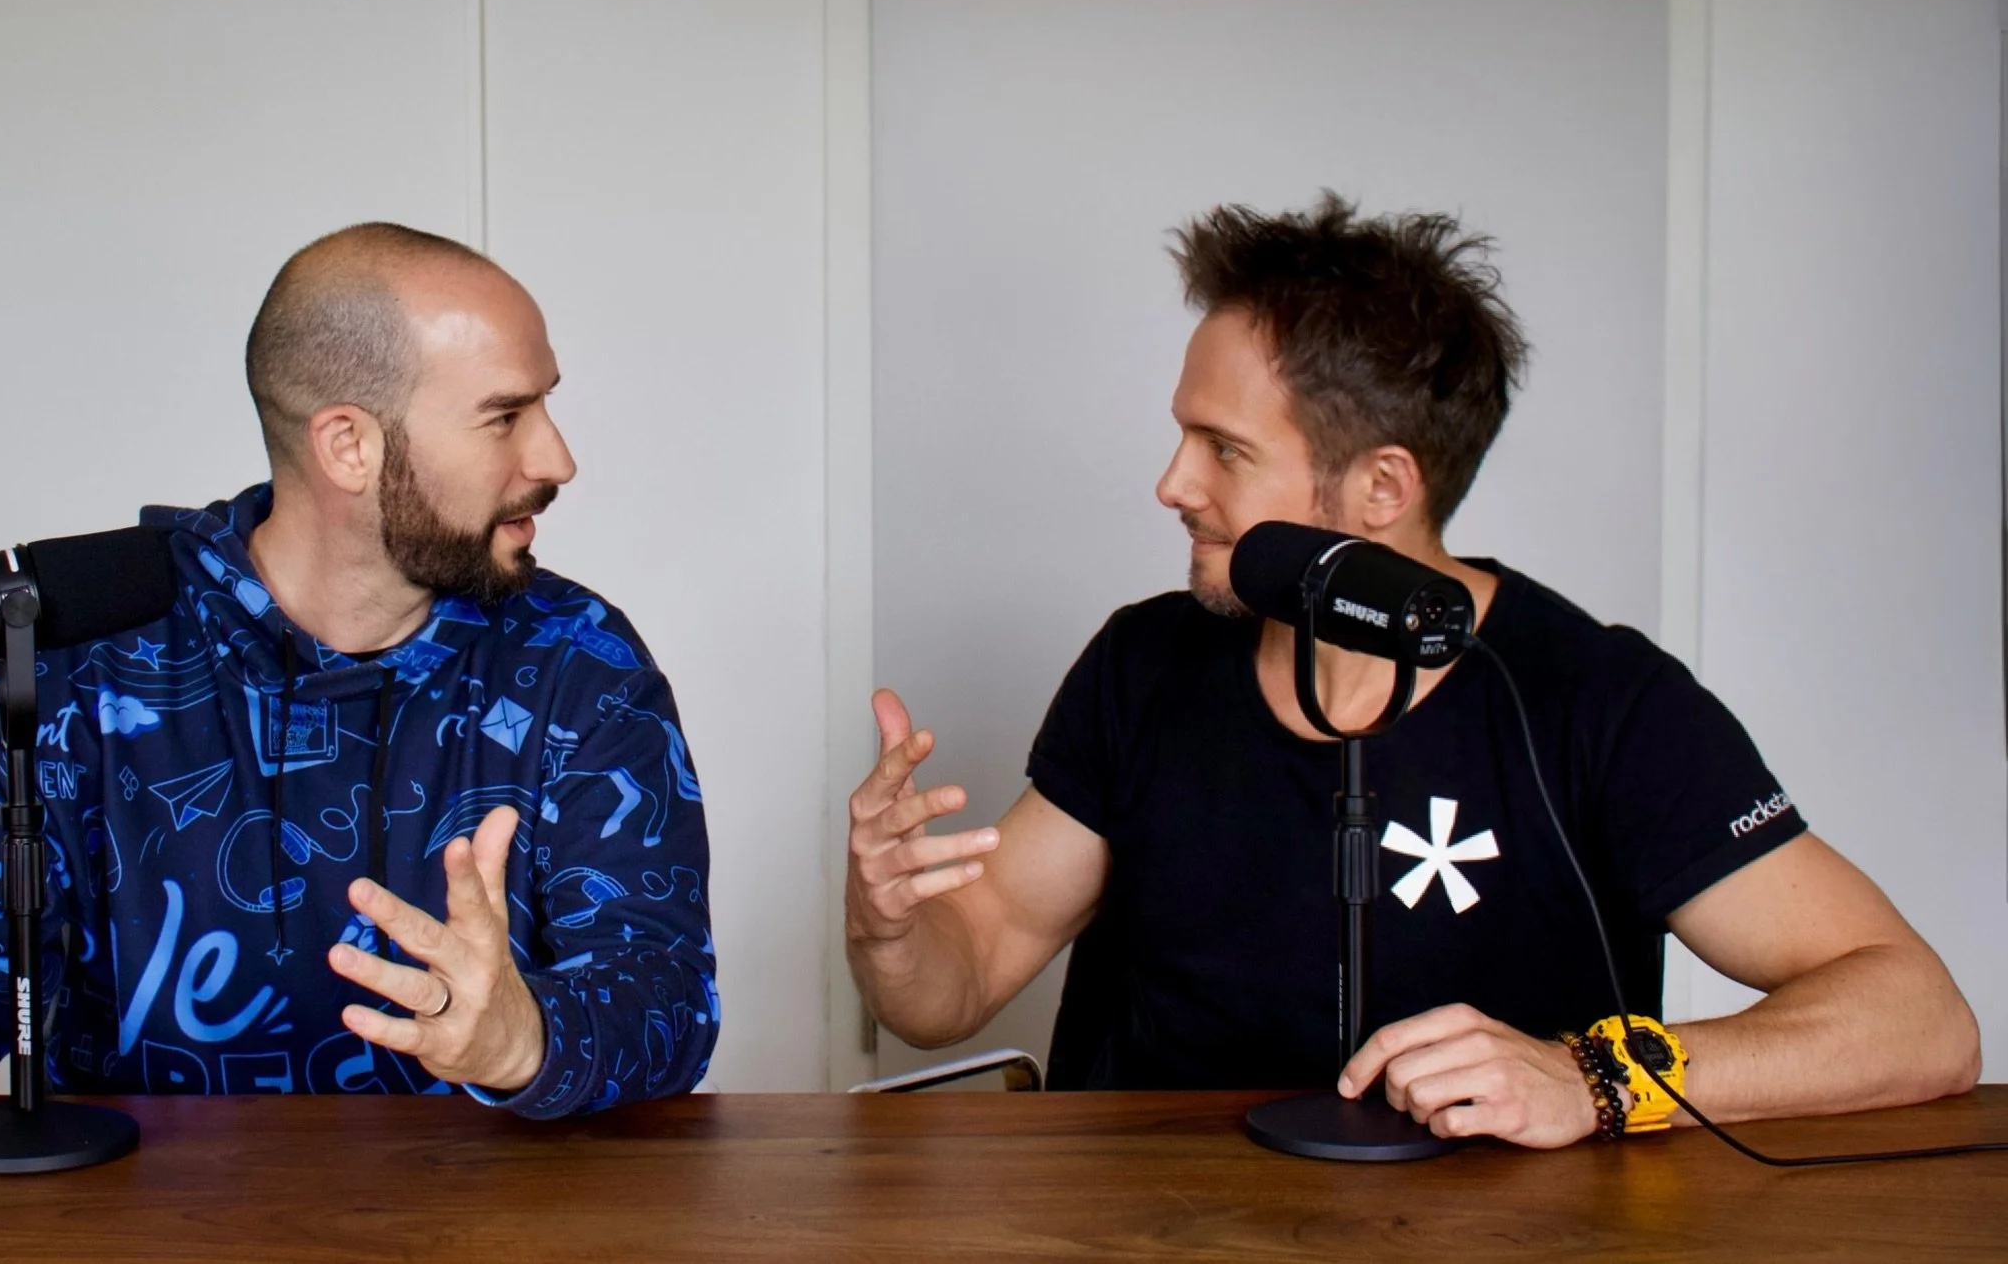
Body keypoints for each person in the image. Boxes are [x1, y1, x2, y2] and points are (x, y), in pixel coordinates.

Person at [844, 194, 1979, 1147]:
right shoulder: (1144, 664)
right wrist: (891, 929)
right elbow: (956, 982)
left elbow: (1917, 1017)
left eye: (1223, 449)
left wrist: (1592, 1076)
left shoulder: (1598, 703)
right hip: (1151, 1228)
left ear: (1382, 489)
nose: (1170, 484)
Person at [0, 223, 717, 1153]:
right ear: (348, 445)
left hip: (482, 1226)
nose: (556, 459)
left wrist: (525, 1038)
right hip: (146, 1226)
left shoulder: (578, 659)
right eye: (505, 415)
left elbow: (669, 992)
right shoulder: (91, 656)